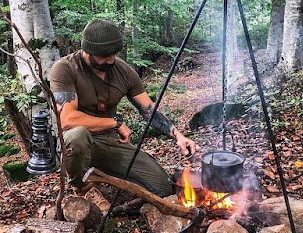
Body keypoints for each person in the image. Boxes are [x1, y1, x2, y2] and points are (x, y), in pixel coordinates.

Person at [50, 18, 196, 197]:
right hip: (76, 144)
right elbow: (67, 120)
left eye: (113, 54)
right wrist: (115, 123)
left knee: (162, 188)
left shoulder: (123, 71)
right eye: (104, 55)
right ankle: (84, 189)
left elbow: (149, 109)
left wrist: (178, 135)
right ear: (88, 51)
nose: (111, 60)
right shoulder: (65, 68)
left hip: (111, 143)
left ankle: (109, 175)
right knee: (77, 136)